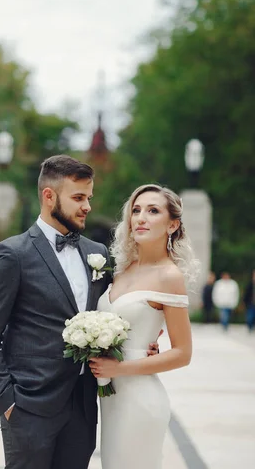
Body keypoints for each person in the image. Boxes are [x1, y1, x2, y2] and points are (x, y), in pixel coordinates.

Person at [0, 156, 159, 469]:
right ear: (49, 196)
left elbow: (114, 311)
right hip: (28, 407)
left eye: (89, 198)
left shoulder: (97, 254)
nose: (87, 206)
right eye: (78, 198)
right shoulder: (12, 254)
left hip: (83, 408)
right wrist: (7, 400)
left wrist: (144, 342)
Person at [89, 184, 197, 469]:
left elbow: (183, 353)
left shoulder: (169, 275)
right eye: (136, 211)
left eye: (153, 211)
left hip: (140, 399)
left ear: (172, 224)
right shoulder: (123, 269)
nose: (141, 217)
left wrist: (118, 368)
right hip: (111, 399)